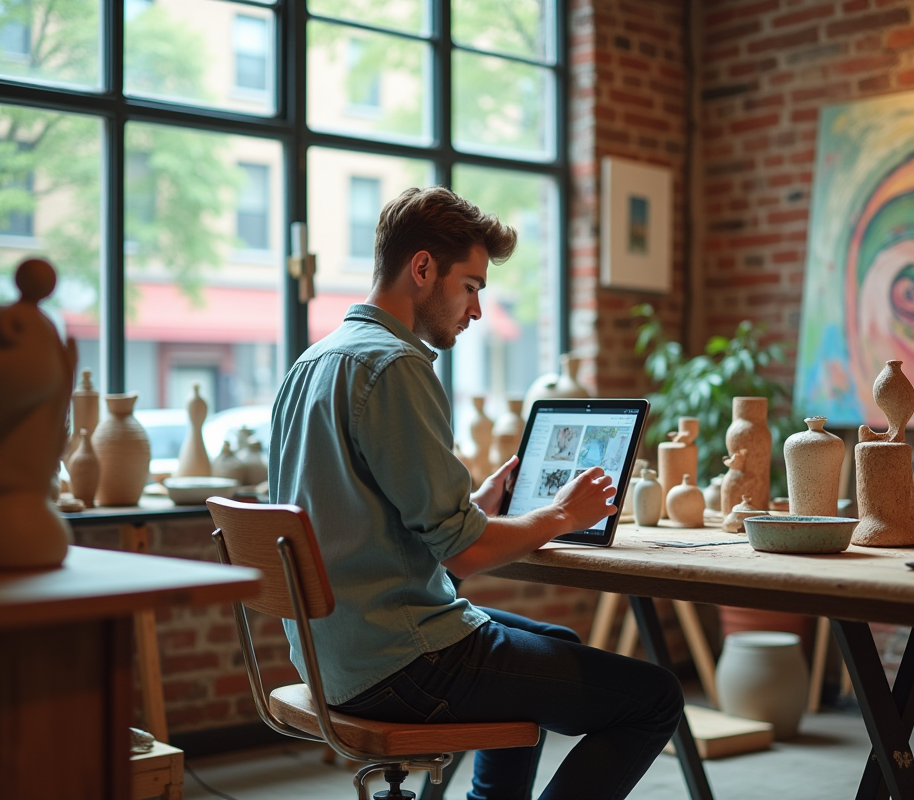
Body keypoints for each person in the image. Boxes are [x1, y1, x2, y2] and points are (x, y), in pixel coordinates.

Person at [268, 186, 683, 800]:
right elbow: (461, 555)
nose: (477, 309)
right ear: (423, 268)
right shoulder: (395, 365)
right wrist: (561, 514)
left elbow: (371, 512)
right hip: (398, 660)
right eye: (472, 286)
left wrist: (481, 503)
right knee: (654, 699)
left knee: (557, 645)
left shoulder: (313, 362)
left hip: (330, 656)